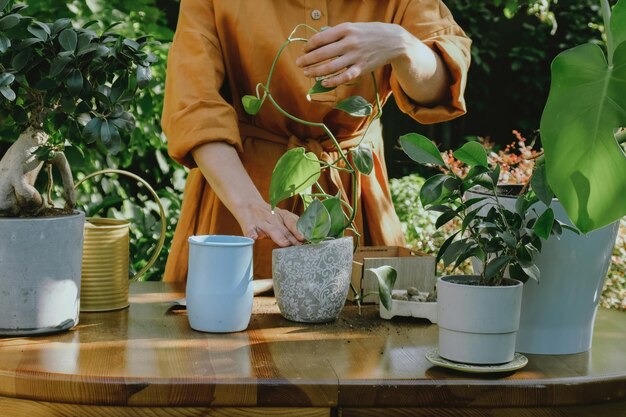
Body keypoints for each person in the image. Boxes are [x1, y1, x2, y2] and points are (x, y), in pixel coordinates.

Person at [162, 0, 471, 282]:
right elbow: (193, 105)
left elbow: (442, 86)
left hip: (354, 196)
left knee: (365, 332)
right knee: (226, 331)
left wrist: (401, 45)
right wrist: (251, 208)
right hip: (241, 203)